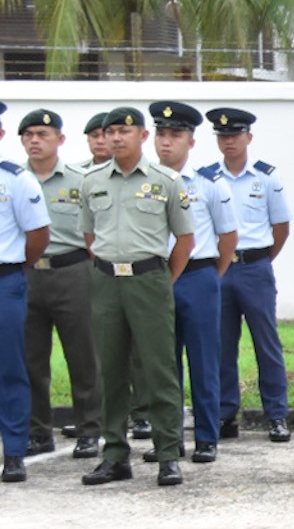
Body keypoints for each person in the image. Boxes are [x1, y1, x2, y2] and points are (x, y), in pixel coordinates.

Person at [81, 106, 194, 487]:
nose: (115, 138)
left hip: (149, 281)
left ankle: (167, 454)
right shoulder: (92, 181)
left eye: (124, 132)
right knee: (110, 369)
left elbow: (185, 239)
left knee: (158, 367)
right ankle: (114, 455)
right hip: (107, 281)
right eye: (110, 131)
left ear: (142, 136)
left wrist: (162, 279)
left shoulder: (165, 181)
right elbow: (89, 237)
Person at [148, 102, 237, 465]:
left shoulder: (208, 185)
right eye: (161, 135)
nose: (166, 143)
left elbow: (228, 237)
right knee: (162, 364)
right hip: (155, 278)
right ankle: (167, 440)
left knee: (203, 359)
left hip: (199, 277)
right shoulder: (144, 184)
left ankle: (205, 437)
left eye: (176, 135)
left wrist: (210, 277)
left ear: (191, 141)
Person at [18, 107, 102, 460]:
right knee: (31, 358)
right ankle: (38, 430)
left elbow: (96, 231)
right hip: (26, 274)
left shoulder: (80, 181)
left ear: (60, 140)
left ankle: (89, 430)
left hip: (73, 272)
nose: (35, 140)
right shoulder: (12, 180)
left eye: (43, 134)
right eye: (29, 135)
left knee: (83, 355)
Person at [207, 107, 292, 443]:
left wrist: (260, 260)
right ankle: (226, 414)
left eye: (235, 135)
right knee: (221, 345)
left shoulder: (266, 178)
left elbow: (281, 227)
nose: (229, 141)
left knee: (266, 343)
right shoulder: (208, 178)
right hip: (220, 268)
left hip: (256, 268)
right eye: (223, 136)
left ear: (248, 138)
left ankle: (277, 415)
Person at [0, 103, 52, 482]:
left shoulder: (17, 181)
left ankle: (14, 451)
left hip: (5, 281)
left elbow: (38, 236)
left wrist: (18, 266)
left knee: (10, 367)